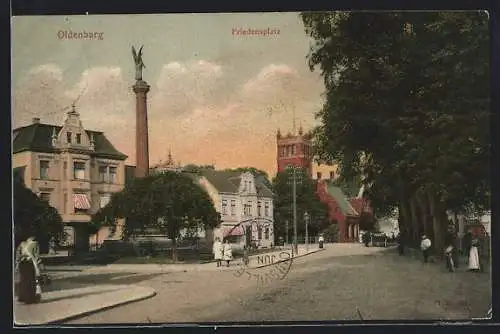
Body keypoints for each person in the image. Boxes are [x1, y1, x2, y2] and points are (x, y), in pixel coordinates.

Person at [15, 236, 43, 304]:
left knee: (23, 280)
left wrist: (17, 263)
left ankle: (22, 298)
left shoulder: (22, 243)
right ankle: (30, 298)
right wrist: (38, 266)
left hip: (22, 264)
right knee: (30, 281)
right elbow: (36, 256)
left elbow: (18, 254)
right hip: (30, 264)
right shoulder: (35, 244)